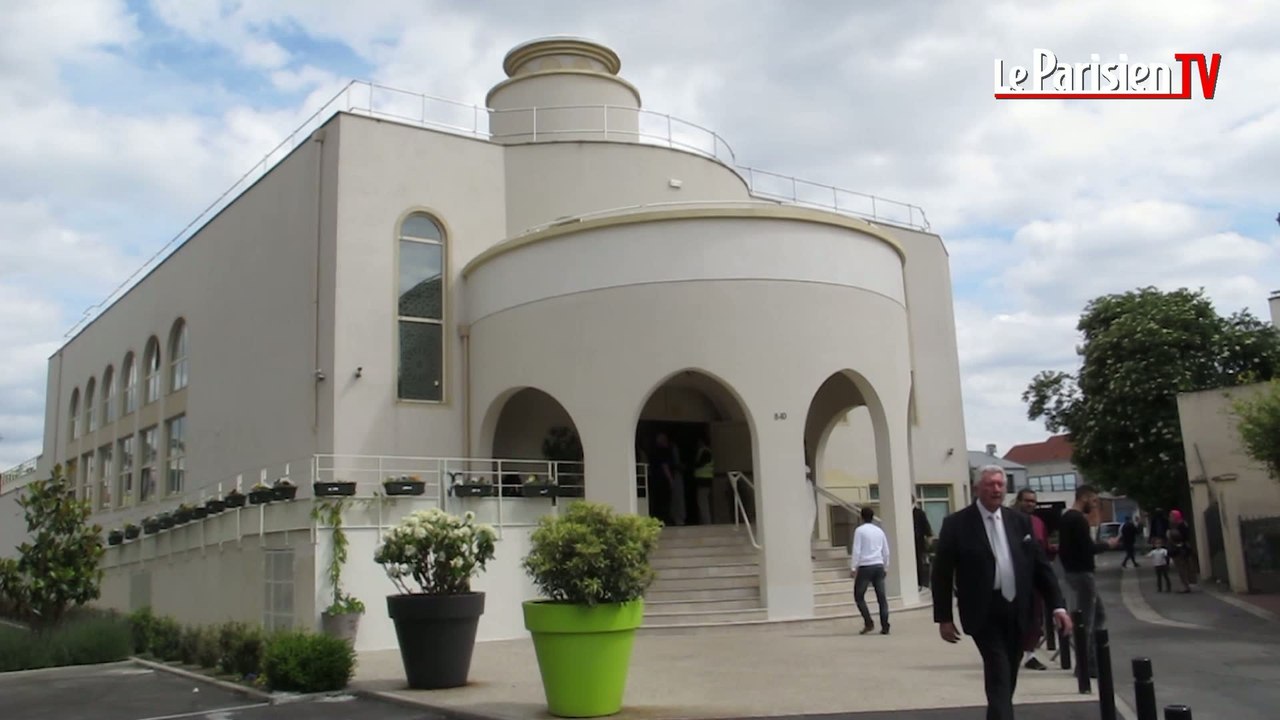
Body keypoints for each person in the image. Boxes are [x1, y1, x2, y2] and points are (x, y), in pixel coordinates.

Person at [932, 466, 1071, 720]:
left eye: (1000, 485)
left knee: (1008, 674)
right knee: (998, 670)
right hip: (983, 612)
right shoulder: (957, 524)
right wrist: (944, 617)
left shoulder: (1020, 522)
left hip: (1019, 609)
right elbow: (941, 574)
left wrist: (1058, 607)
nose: (996, 489)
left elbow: (1041, 568)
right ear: (977, 489)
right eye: (989, 485)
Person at [1057, 484, 1119, 679]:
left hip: (1073, 572)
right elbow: (1087, 548)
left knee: (1098, 614)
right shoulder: (1078, 520)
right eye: (1092, 501)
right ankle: (1086, 664)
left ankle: (1091, 660)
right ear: (1084, 497)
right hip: (1083, 573)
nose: (1094, 506)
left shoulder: (1066, 517)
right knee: (1088, 620)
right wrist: (1107, 544)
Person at [1012, 488, 1053, 671]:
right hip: (1014, 578)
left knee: (1036, 617)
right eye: (1027, 500)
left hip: (1035, 577)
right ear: (1018, 501)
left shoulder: (1038, 523)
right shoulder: (1008, 520)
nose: (1030, 504)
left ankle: (1030, 654)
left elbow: (1044, 548)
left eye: (1033, 502)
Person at [851, 505, 891, 635]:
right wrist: (886, 566)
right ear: (873, 517)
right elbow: (886, 551)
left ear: (861, 517)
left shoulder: (860, 531)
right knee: (881, 597)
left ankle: (868, 622)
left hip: (865, 566)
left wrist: (853, 567)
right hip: (878, 565)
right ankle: (885, 625)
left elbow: (857, 550)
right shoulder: (879, 531)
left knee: (859, 595)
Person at [913, 496, 934, 591]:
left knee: (918, 562)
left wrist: (929, 540)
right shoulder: (902, 513)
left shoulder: (919, 513)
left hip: (918, 542)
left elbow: (926, 527)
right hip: (905, 542)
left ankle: (919, 583)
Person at [693, 437, 715, 525]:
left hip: (704, 481)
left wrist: (693, 465)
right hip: (704, 481)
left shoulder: (705, 452)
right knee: (702, 502)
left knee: (703, 503)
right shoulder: (705, 451)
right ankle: (705, 521)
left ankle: (707, 523)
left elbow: (699, 464)